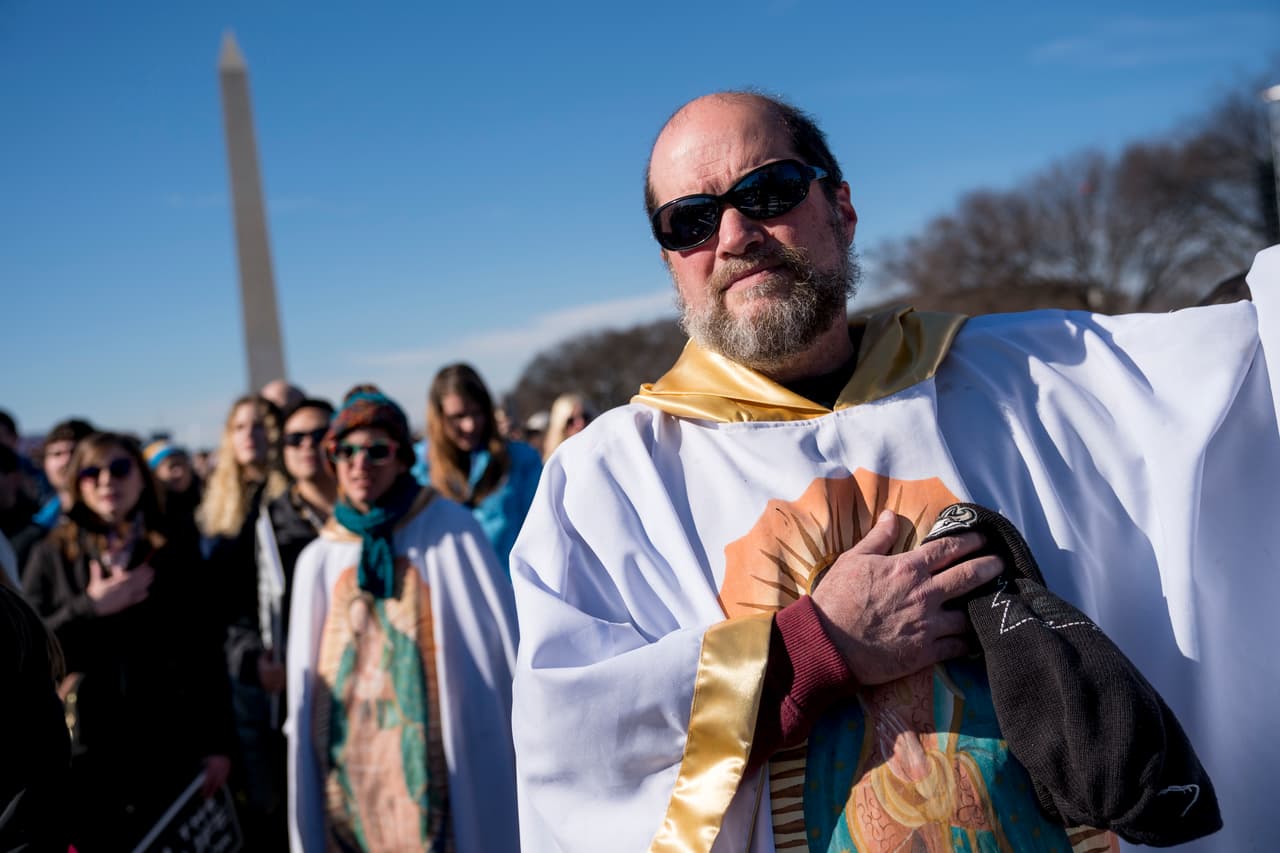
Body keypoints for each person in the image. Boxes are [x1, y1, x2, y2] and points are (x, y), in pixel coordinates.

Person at [509, 91, 1280, 852]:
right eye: (691, 221)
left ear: (840, 207)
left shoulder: (1032, 375)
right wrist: (816, 644)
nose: (736, 233)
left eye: (770, 190)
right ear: (672, 262)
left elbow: (1244, 373)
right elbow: (574, 737)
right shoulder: (608, 483)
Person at [286, 386, 518, 852]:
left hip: (437, 753)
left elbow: (498, 651)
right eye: (346, 451)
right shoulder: (320, 557)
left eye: (377, 450)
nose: (360, 463)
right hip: (354, 758)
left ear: (400, 457)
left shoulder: (450, 529)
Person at [22, 432, 233, 851]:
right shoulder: (49, 554)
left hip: (169, 747)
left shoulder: (173, 550)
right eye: (91, 471)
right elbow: (25, 650)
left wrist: (217, 745)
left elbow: (205, 653)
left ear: (141, 478)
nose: (106, 481)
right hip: (84, 756)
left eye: (120, 468)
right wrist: (90, 607)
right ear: (75, 484)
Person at [226, 396, 336, 848]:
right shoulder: (263, 525)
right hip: (298, 698)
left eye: (319, 436)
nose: (307, 446)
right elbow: (237, 613)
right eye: (295, 438)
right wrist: (254, 661)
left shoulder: (373, 511)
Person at [416, 363, 542, 572]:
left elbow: (540, 534)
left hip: (509, 594)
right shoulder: (418, 468)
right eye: (458, 416)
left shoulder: (520, 459)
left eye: (477, 413)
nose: (470, 425)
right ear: (438, 417)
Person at [32, 417, 95, 531]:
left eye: (75, 452)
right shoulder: (35, 526)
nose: (66, 461)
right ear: (44, 463)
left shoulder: (118, 519)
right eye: (57, 454)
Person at [539, 391, 595, 460]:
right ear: (560, 424)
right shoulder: (550, 463)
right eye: (571, 420)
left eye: (585, 417)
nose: (580, 424)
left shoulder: (599, 453)